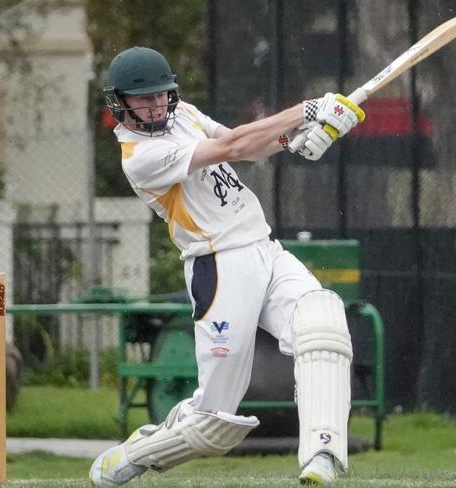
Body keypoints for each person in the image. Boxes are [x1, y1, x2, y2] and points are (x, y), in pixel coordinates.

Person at [89, 46, 365, 486]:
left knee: (323, 324)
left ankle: (323, 454)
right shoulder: (139, 157)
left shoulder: (183, 115)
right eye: (145, 100)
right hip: (218, 266)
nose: (158, 105)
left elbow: (244, 145)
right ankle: (135, 454)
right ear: (120, 104)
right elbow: (229, 147)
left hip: (265, 247)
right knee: (214, 426)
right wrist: (307, 108)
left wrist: (300, 136)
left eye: (163, 95)